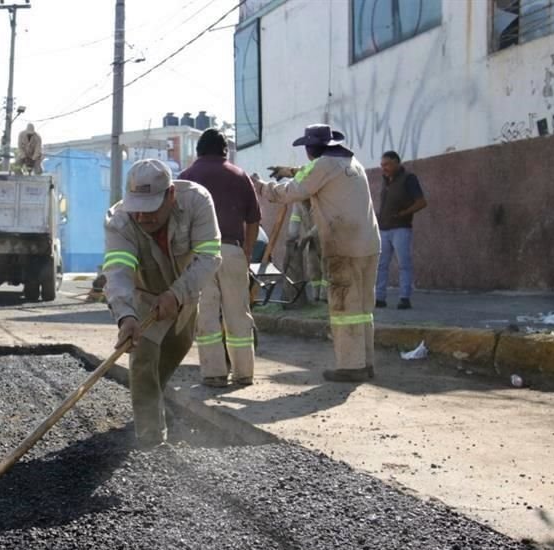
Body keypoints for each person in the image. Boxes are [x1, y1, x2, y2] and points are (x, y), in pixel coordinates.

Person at [103, 159, 221, 447]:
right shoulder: (120, 221)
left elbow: (209, 258)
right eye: (137, 207)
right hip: (143, 294)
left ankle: (152, 405)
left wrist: (177, 294)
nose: (142, 216)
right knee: (143, 361)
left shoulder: (197, 201)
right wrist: (126, 317)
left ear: (170, 196)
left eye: (151, 207)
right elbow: (118, 273)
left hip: (185, 292)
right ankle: (150, 438)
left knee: (170, 356)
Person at [252, 124, 380, 383]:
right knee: (363, 307)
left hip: (344, 245)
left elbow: (291, 192)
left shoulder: (322, 166)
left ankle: (350, 366)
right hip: (368, 244)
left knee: (345, 307)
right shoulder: (350, 163)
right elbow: (313, 175)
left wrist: (261, 187)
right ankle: (365, 363)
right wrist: (290, 171)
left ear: (311, 149)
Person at [179, 128, 260, 388]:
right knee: (238, 311)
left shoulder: (186, 178)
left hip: (200, 254)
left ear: (199, 150)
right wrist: (246, 251)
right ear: (225, 150)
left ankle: (214, 373)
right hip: (233, 250)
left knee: (207, 313)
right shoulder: (239, 176)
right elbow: (254, 219)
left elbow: (176, 221)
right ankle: (243, 373)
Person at [375, 150, 427, 310]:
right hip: (383, 229)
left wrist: (403, 213)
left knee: (404, 264)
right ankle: (379, 298)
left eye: (387, 164)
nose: (384, 168)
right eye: (382, 165)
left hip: (401, 228)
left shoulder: (408, 179)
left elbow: (421, 202)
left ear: (397, 163)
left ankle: (404, 297)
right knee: (381, 265)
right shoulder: (386, 181)